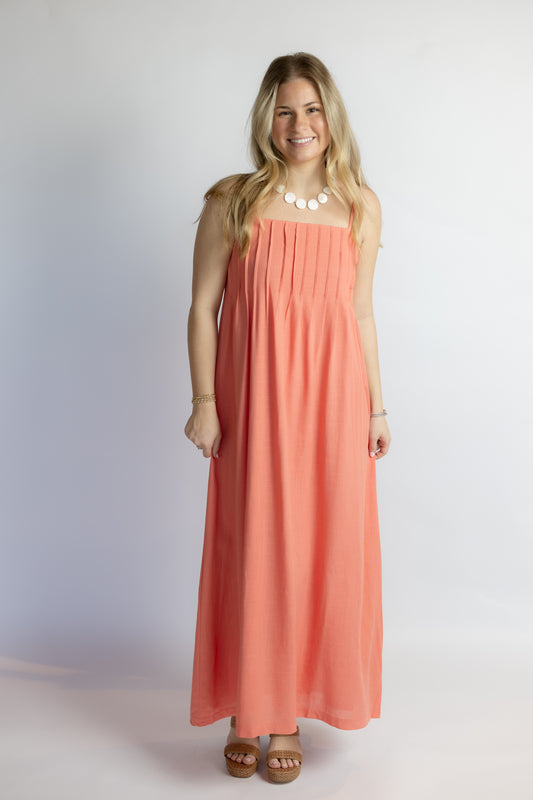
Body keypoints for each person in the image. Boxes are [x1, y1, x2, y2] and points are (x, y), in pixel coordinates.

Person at [184, 52, 391, 783]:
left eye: (309, 109)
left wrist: (374, 404)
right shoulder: (232, 201)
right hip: (254, 408)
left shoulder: (360, 206)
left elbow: (360, 312)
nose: (298, 124)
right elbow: (202, 307)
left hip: (333, 410)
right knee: (258, 549)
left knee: (320, 552)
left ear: (330, 117)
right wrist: (205, 402)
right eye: (282, 110)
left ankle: (289, 715)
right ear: (264, 121)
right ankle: (254, 710)